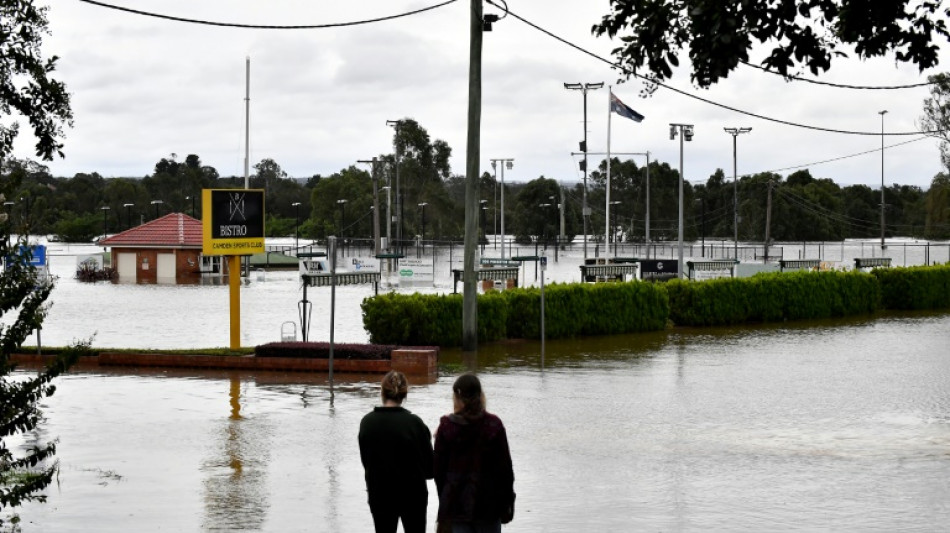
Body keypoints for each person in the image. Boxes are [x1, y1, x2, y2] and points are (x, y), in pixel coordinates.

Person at [434, 373, 515, 533]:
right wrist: (507, 503)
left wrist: (446, 499)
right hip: (488, 505)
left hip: (456, 505)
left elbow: (438, 471)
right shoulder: (494, 425)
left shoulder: (446, 427)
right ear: (480, 395)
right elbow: (505, 470)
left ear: (457, 398)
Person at [358, 370, 434, 533]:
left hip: (380, 494)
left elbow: (367, 463)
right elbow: (430, 470)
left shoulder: (367, 423)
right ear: (405, 394)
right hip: (413, 497)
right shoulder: (415, 424)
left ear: (382, 392)